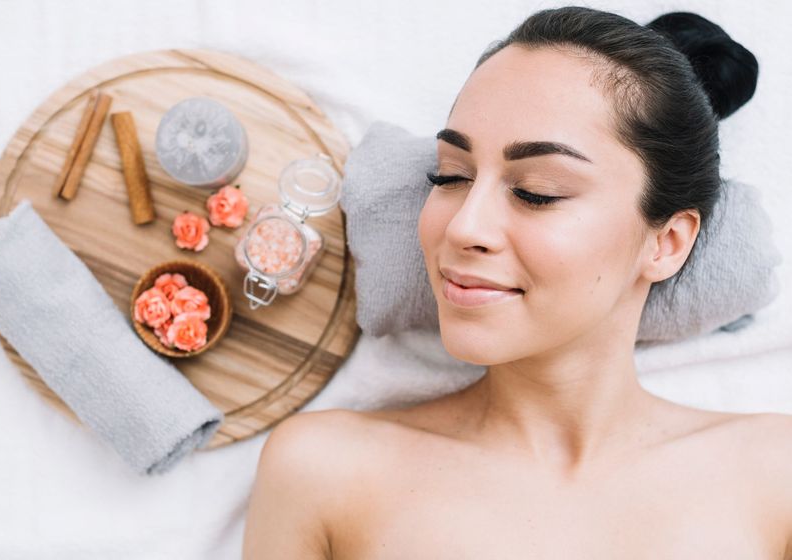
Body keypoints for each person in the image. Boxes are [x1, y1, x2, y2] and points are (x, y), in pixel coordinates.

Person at [243, 7, 792, 558]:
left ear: (666, 242)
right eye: (450, 176)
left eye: (537, 191)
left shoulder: (775, 474)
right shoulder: (323, 471)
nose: (462, 227)